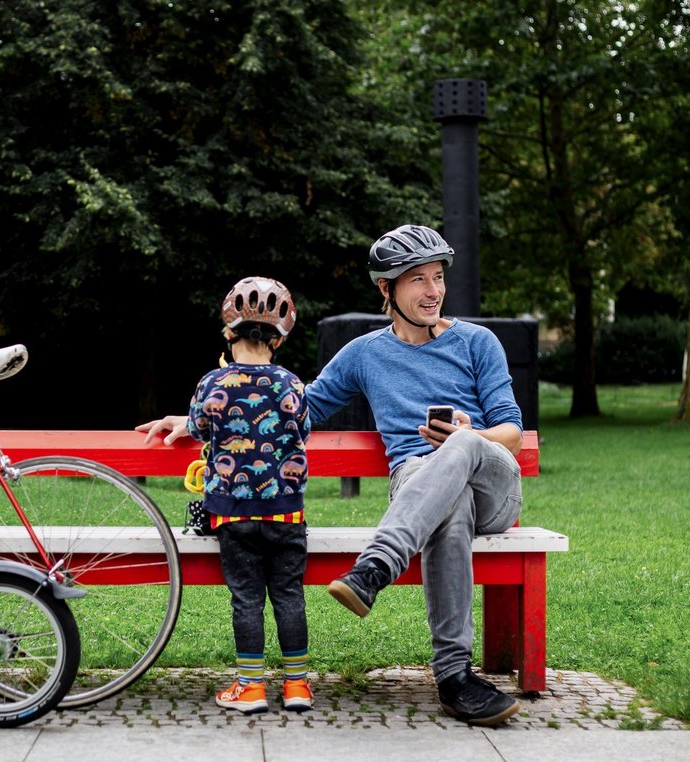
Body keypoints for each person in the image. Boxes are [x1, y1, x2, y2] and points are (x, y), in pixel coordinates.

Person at [138, 225, 524, 727]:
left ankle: (374, 569)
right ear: (387, 289)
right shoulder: (365, 354)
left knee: (463, 445)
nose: (433, 291)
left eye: (437, 278)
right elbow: (296, 408)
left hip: (492, 481)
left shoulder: (478, 342)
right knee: (446, 511)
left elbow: (512, 432)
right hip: (420, 485)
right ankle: (455, 679)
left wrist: (472, 434)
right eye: (418, 281)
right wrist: (191, 421)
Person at [184, 276, 314, 715]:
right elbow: (305, 432)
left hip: (233, 516)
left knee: (247, 598)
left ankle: (251, 688)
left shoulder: (212, 383)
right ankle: (297, 686)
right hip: (286, 516)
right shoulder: (292, 385)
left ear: (228, 332)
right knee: (289, 596)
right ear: (278, 338)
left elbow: (197, 428)